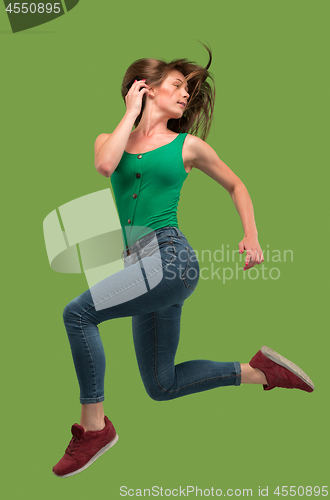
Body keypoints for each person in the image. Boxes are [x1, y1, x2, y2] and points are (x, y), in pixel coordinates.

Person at [52, 47, 314, 478]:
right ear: (144, 89)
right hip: (138, 266)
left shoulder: (188, 146)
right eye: (177, 85)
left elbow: (236, 184)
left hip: (170, 258)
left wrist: (251, 233)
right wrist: (131, 111)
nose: (185, 95)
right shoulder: (108, 140)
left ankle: (94, 428)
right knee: (162, 385)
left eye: (189, 91)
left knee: (77, 315)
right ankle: (261, 372)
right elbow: (104, 164)